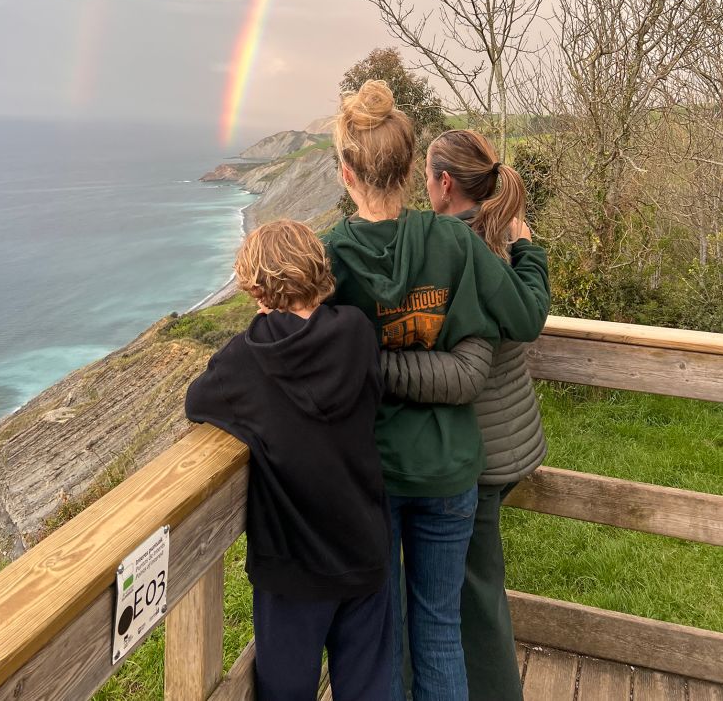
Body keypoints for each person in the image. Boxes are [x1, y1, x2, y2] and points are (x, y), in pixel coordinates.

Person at [323, 81, 549, 701]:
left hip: (375, 472)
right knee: (442, 630)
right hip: (451, 469)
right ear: (407, 164)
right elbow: (521, 319)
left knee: (384, 632)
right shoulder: (453, 242)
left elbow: (301, 356)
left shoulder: (332, 259)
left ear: (347, 171)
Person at [185, 219, 392, 701]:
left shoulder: (243, 361)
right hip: (364, 546)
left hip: (292, 567)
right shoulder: (358, 333)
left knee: (286, 692)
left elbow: (197, 402)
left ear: (256, 287)